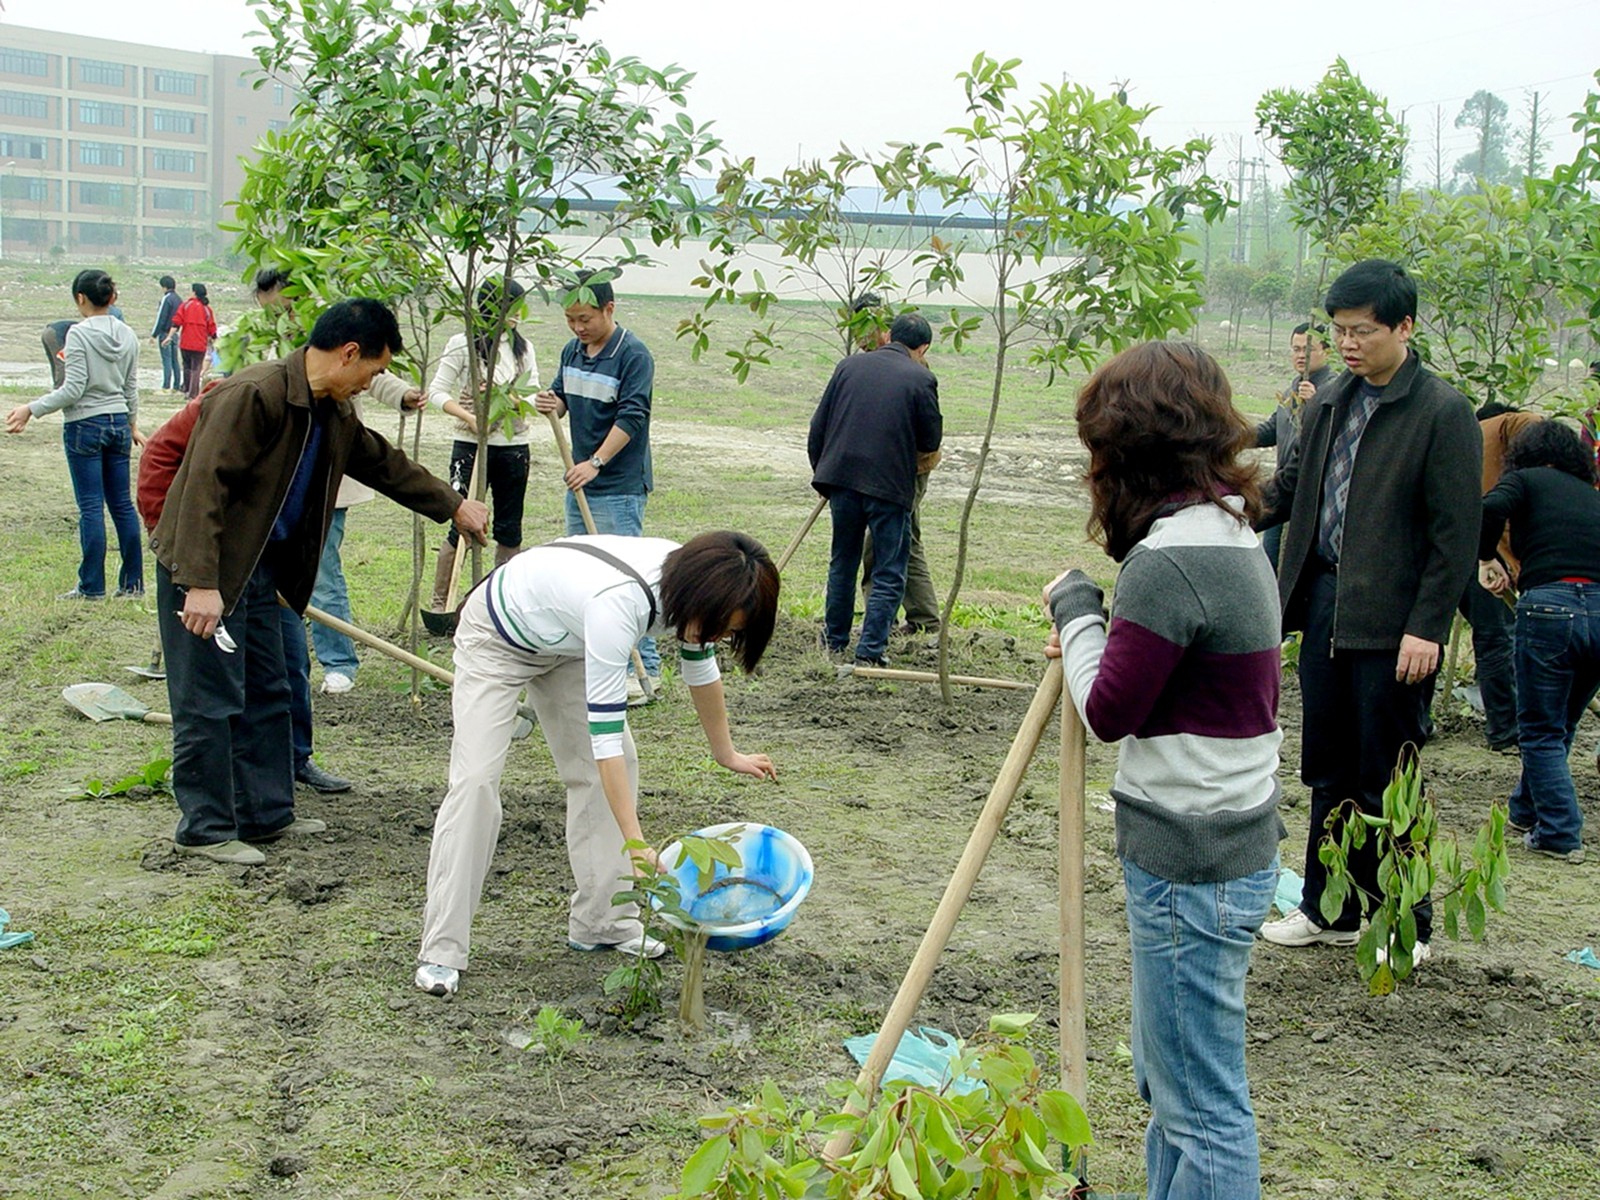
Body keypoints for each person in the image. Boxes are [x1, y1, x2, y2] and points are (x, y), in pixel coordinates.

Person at [1045, 341, 1283, 1200]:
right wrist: (1104, 633)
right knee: (1171, 1088)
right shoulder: (1232, 533)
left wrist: (1078, 613)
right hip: (1225, 847)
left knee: (1201, 1110)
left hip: (1192, 863)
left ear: (1130, 449)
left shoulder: (1171, 559)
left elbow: (1109, 710)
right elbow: (1159, 677)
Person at [149, 298, 489, 866]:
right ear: (349, 353)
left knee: (269, 688)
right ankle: (205, 829)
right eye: (374, 370)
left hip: (261, 570)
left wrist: (452, 504)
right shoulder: (253, 395)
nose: (371, 383)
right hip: (208, 568)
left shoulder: (330, 409)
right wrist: (200, 584)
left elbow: (380, 462)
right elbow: (203, 488)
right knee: (209, 699)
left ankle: (265, 815)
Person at [414, 531, 779, 998]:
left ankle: (603, 922)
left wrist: (726, 753)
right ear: (699, 597)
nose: (718, 638)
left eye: (729, 633)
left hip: (569, 641)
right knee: (476, 782)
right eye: (720, 628)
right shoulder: (621, 604)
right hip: (498, 637)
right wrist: (636, 844)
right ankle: (442, 949)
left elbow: (700, 668)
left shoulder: (697, 590)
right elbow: (603, 743)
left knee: (616, 764)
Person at [1257, 260, 1480, 965]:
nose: (1348, 344)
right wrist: (1224, 503)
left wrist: (1427, 626)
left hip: (1395, 623)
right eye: (1340, 332)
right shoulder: (1331, 399)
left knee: (1389, 773)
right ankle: (1328, 909)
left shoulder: (1441, 412)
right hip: (1326, 603)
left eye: (1363, 331)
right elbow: (1292, 486)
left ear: (1404, 327)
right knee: (1327, 766)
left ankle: (1403, 922)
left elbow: (1455, 535)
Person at [535, 273, 661, 701]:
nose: (577, 328)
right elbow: (562, 396)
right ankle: (599, 660)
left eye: (585, 319)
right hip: (581, 482)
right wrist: (552, 403)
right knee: (585, 573)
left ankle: (645, 670)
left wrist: (596, 463)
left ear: (609, 309)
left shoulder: (633, 354)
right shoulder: (572, 350)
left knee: (625, 579)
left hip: (618, 485)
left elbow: (632, 416)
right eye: (570, 319)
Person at [1479, 420, 1600, 865]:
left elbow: (1487, 508)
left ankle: (1560, 832)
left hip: (1550, 607)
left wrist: (1487, 557)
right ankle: (1525, 810)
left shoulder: (1525, 480)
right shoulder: (1591, 495)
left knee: (1540, 730)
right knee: (1562, 723)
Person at [809, 311, 942, 666]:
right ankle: (870, 652)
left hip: (842, 480)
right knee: (888, 570)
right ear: (923, 348)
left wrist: (822, 475)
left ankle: (834, 641)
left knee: (843, 562)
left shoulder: (848, 366)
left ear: (889, 336)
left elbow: (818, 425)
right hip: (890, 487)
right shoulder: (921, 378)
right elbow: (931, 440)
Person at [5, 269, 144, 600]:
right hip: (118, 423)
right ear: (112, 297)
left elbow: (73, 389)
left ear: (81, 298)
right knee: (122, 505)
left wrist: (31, 409)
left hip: (85, 425)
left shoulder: (79, 335)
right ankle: (133, 584)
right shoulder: (128, 335)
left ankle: (92, 586)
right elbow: (131, 387)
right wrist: (132, 425)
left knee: (91, 506)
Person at [429, 279, 537, 616]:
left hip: (513, 445)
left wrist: (507, 397)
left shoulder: (524, 348)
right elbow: (437, 391)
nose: (517, 315)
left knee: (509, 526)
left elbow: (533, 394)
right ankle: (442, 603)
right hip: (470, 445)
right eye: (511, 308)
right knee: (460, 519)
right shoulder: (462, 344)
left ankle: (503, 605)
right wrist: (470, 417)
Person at [854, 294, 943, 635]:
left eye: (865, 330)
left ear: (884, 328)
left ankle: (887, 620)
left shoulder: (911, 365)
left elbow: (924, 430)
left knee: (885, 543)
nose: (860, 340)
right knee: (904, 540)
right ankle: (920, 619)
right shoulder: (872, 360)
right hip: (883, 468)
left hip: (906, 469)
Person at [1464, 402, 1542, 753]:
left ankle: (1419, 723)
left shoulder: (1463, 439)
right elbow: (1535, 425)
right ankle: (1505, 731)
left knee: (1427, 638)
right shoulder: (1506, 426)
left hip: (1439, 547)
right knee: (1496, 637)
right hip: (1482, 550)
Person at [1253, 322, 1334, 569]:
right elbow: (1272, 429)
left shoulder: (1332, 390)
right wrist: (1231, 438)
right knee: (1269, 561)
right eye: (1296, 349)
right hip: (1282, 489)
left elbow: (1327, 437)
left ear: (1327, 351)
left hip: (1308, 497)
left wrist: (1314, 404)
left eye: (1307, 350)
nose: (1300, 356)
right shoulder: (1293, 389)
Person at [169, 282, 217, 399]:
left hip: (185, 343)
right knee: (196, 368)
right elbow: (212, 328)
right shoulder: (207, 310)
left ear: (194, 293)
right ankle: (193, 393)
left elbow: (176, 322)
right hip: (200, 344)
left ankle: (186, 389)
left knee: (187, 367)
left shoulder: (185, 306)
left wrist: (169, 336)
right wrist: (215, 340)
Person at [151, 275, 182, 393]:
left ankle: (166, 385)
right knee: (175, 361)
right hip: (175, 333)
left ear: (164, 287)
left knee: (166, 360)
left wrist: (154, 334)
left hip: (165, 332)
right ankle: (177, 384)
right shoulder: (179, 299)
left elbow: (161, 317)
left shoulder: (166, 299)